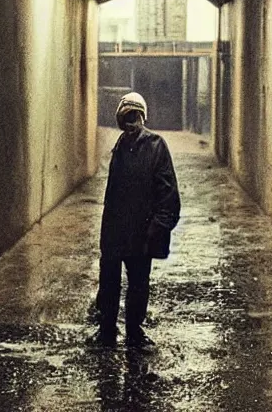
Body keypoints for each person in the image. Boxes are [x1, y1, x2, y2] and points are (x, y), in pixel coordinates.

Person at [88, 92, 180, 352]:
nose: (131, 122)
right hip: (116, 229)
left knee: (138, 283)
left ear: (142, 117)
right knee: (109, 282)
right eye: (126, 117)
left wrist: (158, 227)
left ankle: (134, 332)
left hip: (141, 231)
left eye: (135, 116)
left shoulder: (156, 146)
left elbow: (168, 192)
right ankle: (107, 330)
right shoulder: (120, 147)